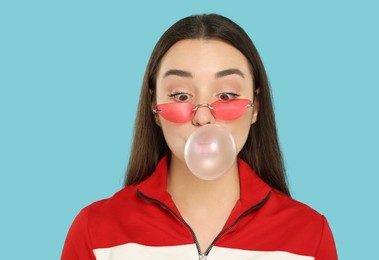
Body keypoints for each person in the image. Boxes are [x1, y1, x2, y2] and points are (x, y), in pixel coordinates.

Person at [61, 14, 338, 259]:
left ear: (256, 108)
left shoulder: (309, 236)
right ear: (154, 108)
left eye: (227, 95)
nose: (203, 117)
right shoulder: (96, 231)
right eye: (181, 95)